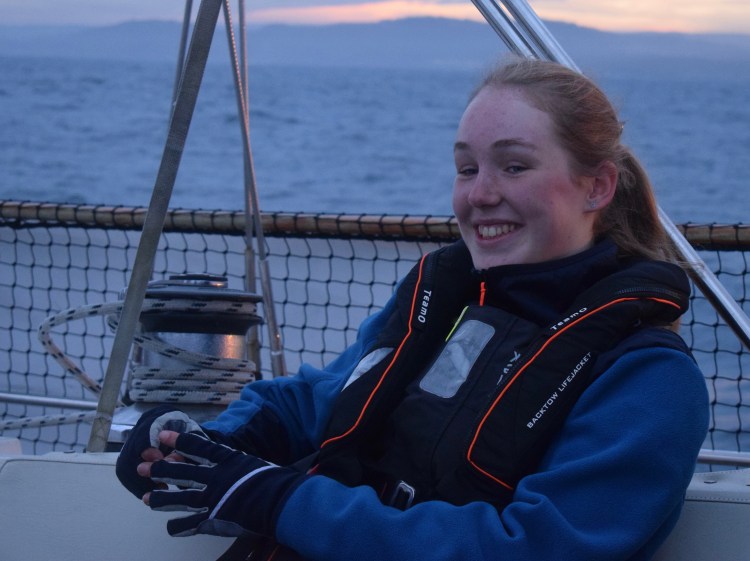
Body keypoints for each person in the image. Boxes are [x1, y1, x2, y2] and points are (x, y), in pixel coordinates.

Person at [116, 57, 709, 561]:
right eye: (467, 169)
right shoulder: (441, 305)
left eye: (514, 166)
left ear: (597, 186)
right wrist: (196, 442)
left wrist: (280, 501)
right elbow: (317, 400)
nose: (480, 194)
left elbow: (534, 547)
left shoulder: (649, 380)